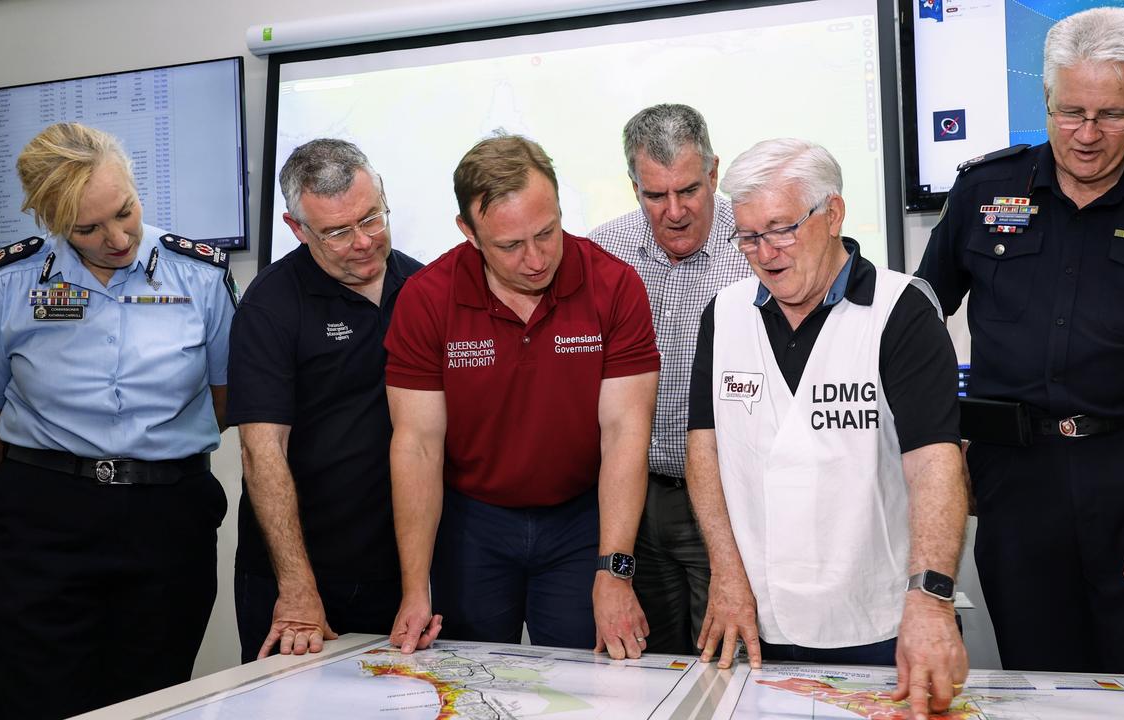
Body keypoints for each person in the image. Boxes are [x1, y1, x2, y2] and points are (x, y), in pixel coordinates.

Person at [917, 7, 1124, 676]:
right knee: (1040, 682)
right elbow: (914, 328)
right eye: (1070, 111)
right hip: (1015, 479)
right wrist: (944, 446)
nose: (1087, 135)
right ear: (1046, 94)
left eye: (1112, 115)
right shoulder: (984, 189)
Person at [687, 138, 969, 719]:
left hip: (873, 619)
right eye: (747, 236)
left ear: (833, 214)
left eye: (781, 229)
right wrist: (725, 574)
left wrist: (932, 600)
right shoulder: (725, 312)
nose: (765, 253)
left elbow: (935, 465)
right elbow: (705, 451)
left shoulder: (902, 310)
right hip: (756, 617)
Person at [0, 122, 236, 719]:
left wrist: (152, 454)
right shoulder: (8, 282)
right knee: (32, 697)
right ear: (52, 222)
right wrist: (52, 475)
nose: (118, 238)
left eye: (125, 211)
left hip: (167, 517)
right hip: (41, 525)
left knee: (154, 698)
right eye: (88, 228)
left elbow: (224, 398)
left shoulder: (201, 276)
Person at [385, 134, 660, 659]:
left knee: (597, 678)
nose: (536, 260)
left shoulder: (613, 286)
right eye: (510, 246)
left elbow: (626, 433)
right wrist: (415, 589)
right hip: (474, 525)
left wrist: (614, 572)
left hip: (581, 521)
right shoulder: (427, 299)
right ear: (469, 232)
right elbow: (417, 445)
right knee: (466, 678)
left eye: (547, 233)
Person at [227, 139, 423, 664]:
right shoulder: (270, 305)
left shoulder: (425, 286)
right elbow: (260, 452)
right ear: (296, 228)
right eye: (337, 232)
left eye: (372, 218)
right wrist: (296, 587)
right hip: (299, 573)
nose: (362, 242)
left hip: (404, 570)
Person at [589, 104, 751, 654]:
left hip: (730, 502)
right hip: (632, 503)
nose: (675, 211)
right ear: (632, 184)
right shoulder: (602, 253)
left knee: (727, 662)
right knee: (644, 668)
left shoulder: (757, 248)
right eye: (654, 196)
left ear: (713, 173)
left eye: (689, 190)